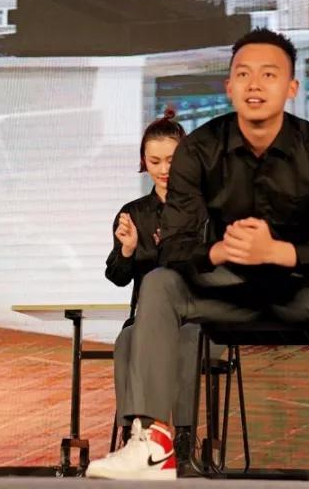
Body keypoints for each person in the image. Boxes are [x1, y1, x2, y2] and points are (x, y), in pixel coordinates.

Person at [86, 28, 309, 484]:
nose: (255, 85)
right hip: (221, 289)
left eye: (269, 74)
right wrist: (218, 249)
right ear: (229, 86)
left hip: (295, 290)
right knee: (160, 282)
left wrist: (279, 251)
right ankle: (151, 444)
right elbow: (175, 245)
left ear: (291, 87)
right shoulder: (198, 149)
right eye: (244, 74)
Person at [105, 110, 199, 462]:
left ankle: (184, 438)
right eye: (155, 161)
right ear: (143, 162)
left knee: (187, 343)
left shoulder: (205, 210)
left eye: (172, 160)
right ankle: (136, 433)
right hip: (147, 321)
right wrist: (128, 250)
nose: (163, 169)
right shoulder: (133, 213)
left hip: (197, 318)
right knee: (127, 340)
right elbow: (117, 276)